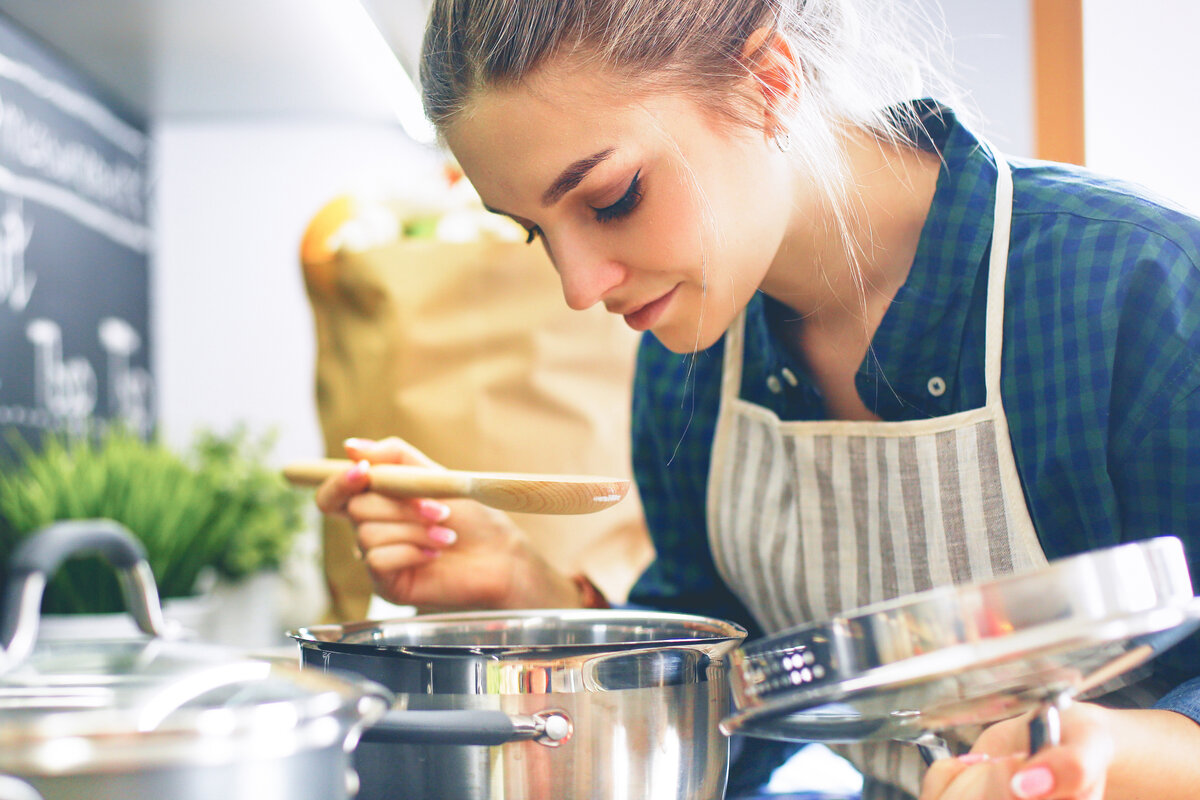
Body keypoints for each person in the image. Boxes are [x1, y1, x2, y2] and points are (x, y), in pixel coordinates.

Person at [313, 0, 1200, 797]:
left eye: (613, 198)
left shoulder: (1136, 289)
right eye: (536, 232)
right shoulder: (692, 355)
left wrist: (1121, 759)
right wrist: (528, 591)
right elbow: (733, 722)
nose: (580, 287)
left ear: (766, 83)